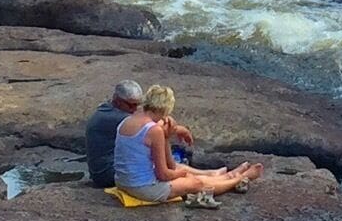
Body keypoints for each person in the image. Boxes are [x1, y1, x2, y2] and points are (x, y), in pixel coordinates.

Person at [110, 84, 262, 202]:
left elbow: (166, 165)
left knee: (181, 169)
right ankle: (237, 178)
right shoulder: (154, 130)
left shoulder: (127, 120)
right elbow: (164, 174)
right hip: (143, 188)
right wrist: (166, 140)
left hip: (123, 181)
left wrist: (169, 135)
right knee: (195, 183)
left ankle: (218, 175)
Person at [86, 79, 144, 187]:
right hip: (106, 173)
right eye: (131, 105)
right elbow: (150, 126)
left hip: (105, 169)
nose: (135, 109)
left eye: (137, 105)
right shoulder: (115, 118)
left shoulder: (108, 109)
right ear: (117, 100)